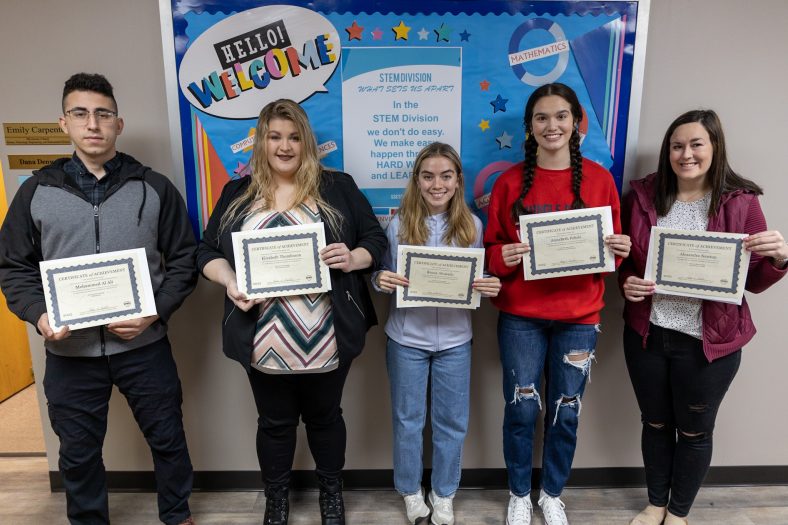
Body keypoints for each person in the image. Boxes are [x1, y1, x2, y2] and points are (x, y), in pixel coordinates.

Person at [0, 73, 197, 525]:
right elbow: (14, 266)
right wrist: (39, 315)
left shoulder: (154, 187)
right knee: (78, 452)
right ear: (64, 123)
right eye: (81, 113)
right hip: (70, 350)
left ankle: (177, 514)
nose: (93, 124)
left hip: (143, 346)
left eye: (103, 114)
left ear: (118, 124)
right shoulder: (36, 191)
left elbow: (185, 259)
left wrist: (156, 312)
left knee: (168, 437)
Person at [196, 99, 386, 525]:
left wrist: (353, 257)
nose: (285, 146)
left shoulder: (337, 187)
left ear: (307, 142)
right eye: (275, 136)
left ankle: (331, 495)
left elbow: (375, 239)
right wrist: (229, 281)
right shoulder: (236, 194)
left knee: (325, 418)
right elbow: (206, 251)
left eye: (294, 137)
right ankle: (276, 498)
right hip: (262, 336)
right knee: (275, 423)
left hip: (327, 333)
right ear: (261, 142)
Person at [619, 109, 788, 525]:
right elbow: (627, 260)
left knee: (694, 432)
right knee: (655, 423)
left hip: (708, 343)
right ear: (667, 151)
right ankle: (656, 502)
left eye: (697, 144)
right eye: (677, 146)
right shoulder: (642, 196)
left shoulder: (741, 202)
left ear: (714, 147)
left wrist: (781, 258)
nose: (686, 154)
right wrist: (628, 282)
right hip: (648, 334)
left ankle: (678, 513)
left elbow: (753, 282)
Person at [483, 82, 631, 525]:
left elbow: (612, 256)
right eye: (542, 117)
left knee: (567, 409)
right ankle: (517, 494)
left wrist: (617, 249)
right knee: (522, 408)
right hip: (521, 318)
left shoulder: (601, 179)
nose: (552, 125)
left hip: (579, 318)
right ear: (530, 127)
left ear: (576, 122)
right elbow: (490, 251)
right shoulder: (509, 182)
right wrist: (502, 257)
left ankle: (551, 492)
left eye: (561, 116)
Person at [372, 142, 501, 525]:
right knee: (408, 421)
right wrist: (381, 279)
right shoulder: (398, 224)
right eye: (428, 176)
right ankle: (411, 491)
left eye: (446, 176)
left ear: (458, 180)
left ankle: (444, 494)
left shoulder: (473, 225)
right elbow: (379, 274)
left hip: (456, 342)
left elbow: (479, 277)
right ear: (417, 180)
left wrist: (488, 284)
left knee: (451, 422)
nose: (436, 184)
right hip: (407, 339)